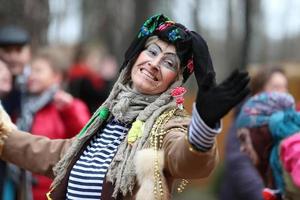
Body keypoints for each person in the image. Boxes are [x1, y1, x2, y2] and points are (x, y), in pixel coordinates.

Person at [0, 14, 250, 200]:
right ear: (135, 58)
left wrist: (203, 125)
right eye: (151, 52)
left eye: (169, 63)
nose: (154, 63)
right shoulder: (107, 114)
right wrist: (5, 135)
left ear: (174, 80)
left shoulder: (169, 123)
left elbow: (188, 160)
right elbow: (59, 155)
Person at [18, 47, 90, 200]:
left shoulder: (68, 106)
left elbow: (85, 136)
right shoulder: (24, 106)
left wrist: (70, 109)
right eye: (30, 70)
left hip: (50, 193)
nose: (31, 75)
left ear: (56, 76)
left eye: (38, 71)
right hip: (22, 190)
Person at [219, 65, 288, 200]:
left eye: (284, 87)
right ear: (259, 92)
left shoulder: (287, 123)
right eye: (276, 87)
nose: (283, 93)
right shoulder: (245, 120)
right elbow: (239, 163)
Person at [236, 92, 300, 200]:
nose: (242, 149)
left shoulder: (292, 148)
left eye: (244, 138)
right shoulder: (277, 159)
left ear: (260, 132)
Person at [68, 44, 117, 113]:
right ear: (84, 60)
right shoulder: (83, 79)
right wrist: (107, 79)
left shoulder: (83, 76)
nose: (97, 63)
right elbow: (102, 97)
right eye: (94, 59)